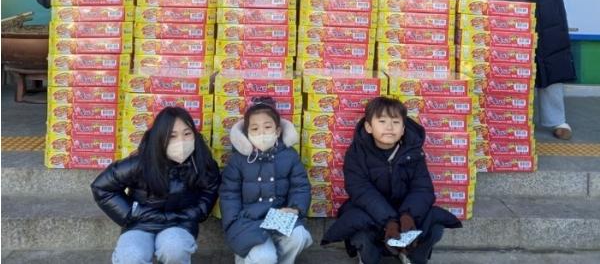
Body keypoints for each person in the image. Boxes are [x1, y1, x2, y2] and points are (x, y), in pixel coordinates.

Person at [321, 97, 461, 264]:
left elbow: (422, 188)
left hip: (405, 210)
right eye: (382, 121)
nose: (389, 127)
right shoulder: (356, 154)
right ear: (369, 127)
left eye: (395, 122)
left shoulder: (414, 152)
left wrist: (408, 216)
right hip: (372, 212)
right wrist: (389, 221)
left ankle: (411, 256)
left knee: (435, 224)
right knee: (356, 223)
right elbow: (360, 191)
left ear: (403, 129)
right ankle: (368, 258)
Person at [91, 107, 220, 264]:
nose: (181, 141)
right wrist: (131, 213)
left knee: (174, 249)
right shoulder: (140, 162)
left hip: (179, 223)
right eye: (172, 136)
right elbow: (102, 187)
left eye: (187, 134)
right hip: (140, 223)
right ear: (159, 137)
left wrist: (195, 212)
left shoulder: (201, 162)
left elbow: (210, 189)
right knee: (131, 256)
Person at [497, 0, 584, 140]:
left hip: (549, 29)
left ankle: (557, 121)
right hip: (518, 33)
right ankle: (514, 121)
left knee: (551, 75)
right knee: (516, 77)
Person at [219, 97, 312, 264]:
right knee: (264, 258)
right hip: (247, 221)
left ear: (277, 131)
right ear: (247, 132)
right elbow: (229, 194)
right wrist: (233, 224)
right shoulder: (238, 160)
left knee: (299, 236)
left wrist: (295, 209)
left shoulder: (289, 156)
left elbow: (300, 187)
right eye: (254, 128)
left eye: (267, 127)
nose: (261, 133)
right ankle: (246, 256)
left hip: (278, 216)